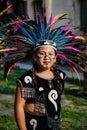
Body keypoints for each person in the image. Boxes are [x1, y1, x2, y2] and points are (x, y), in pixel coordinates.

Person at [14, 40, 65, 130]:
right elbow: (19, 107)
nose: (46, 57)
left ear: (55, 57)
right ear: (35, 57)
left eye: (50, 54)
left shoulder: (60, 75)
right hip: (34, 123)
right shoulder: (27, 79)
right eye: (42, 53)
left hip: (54, 123)